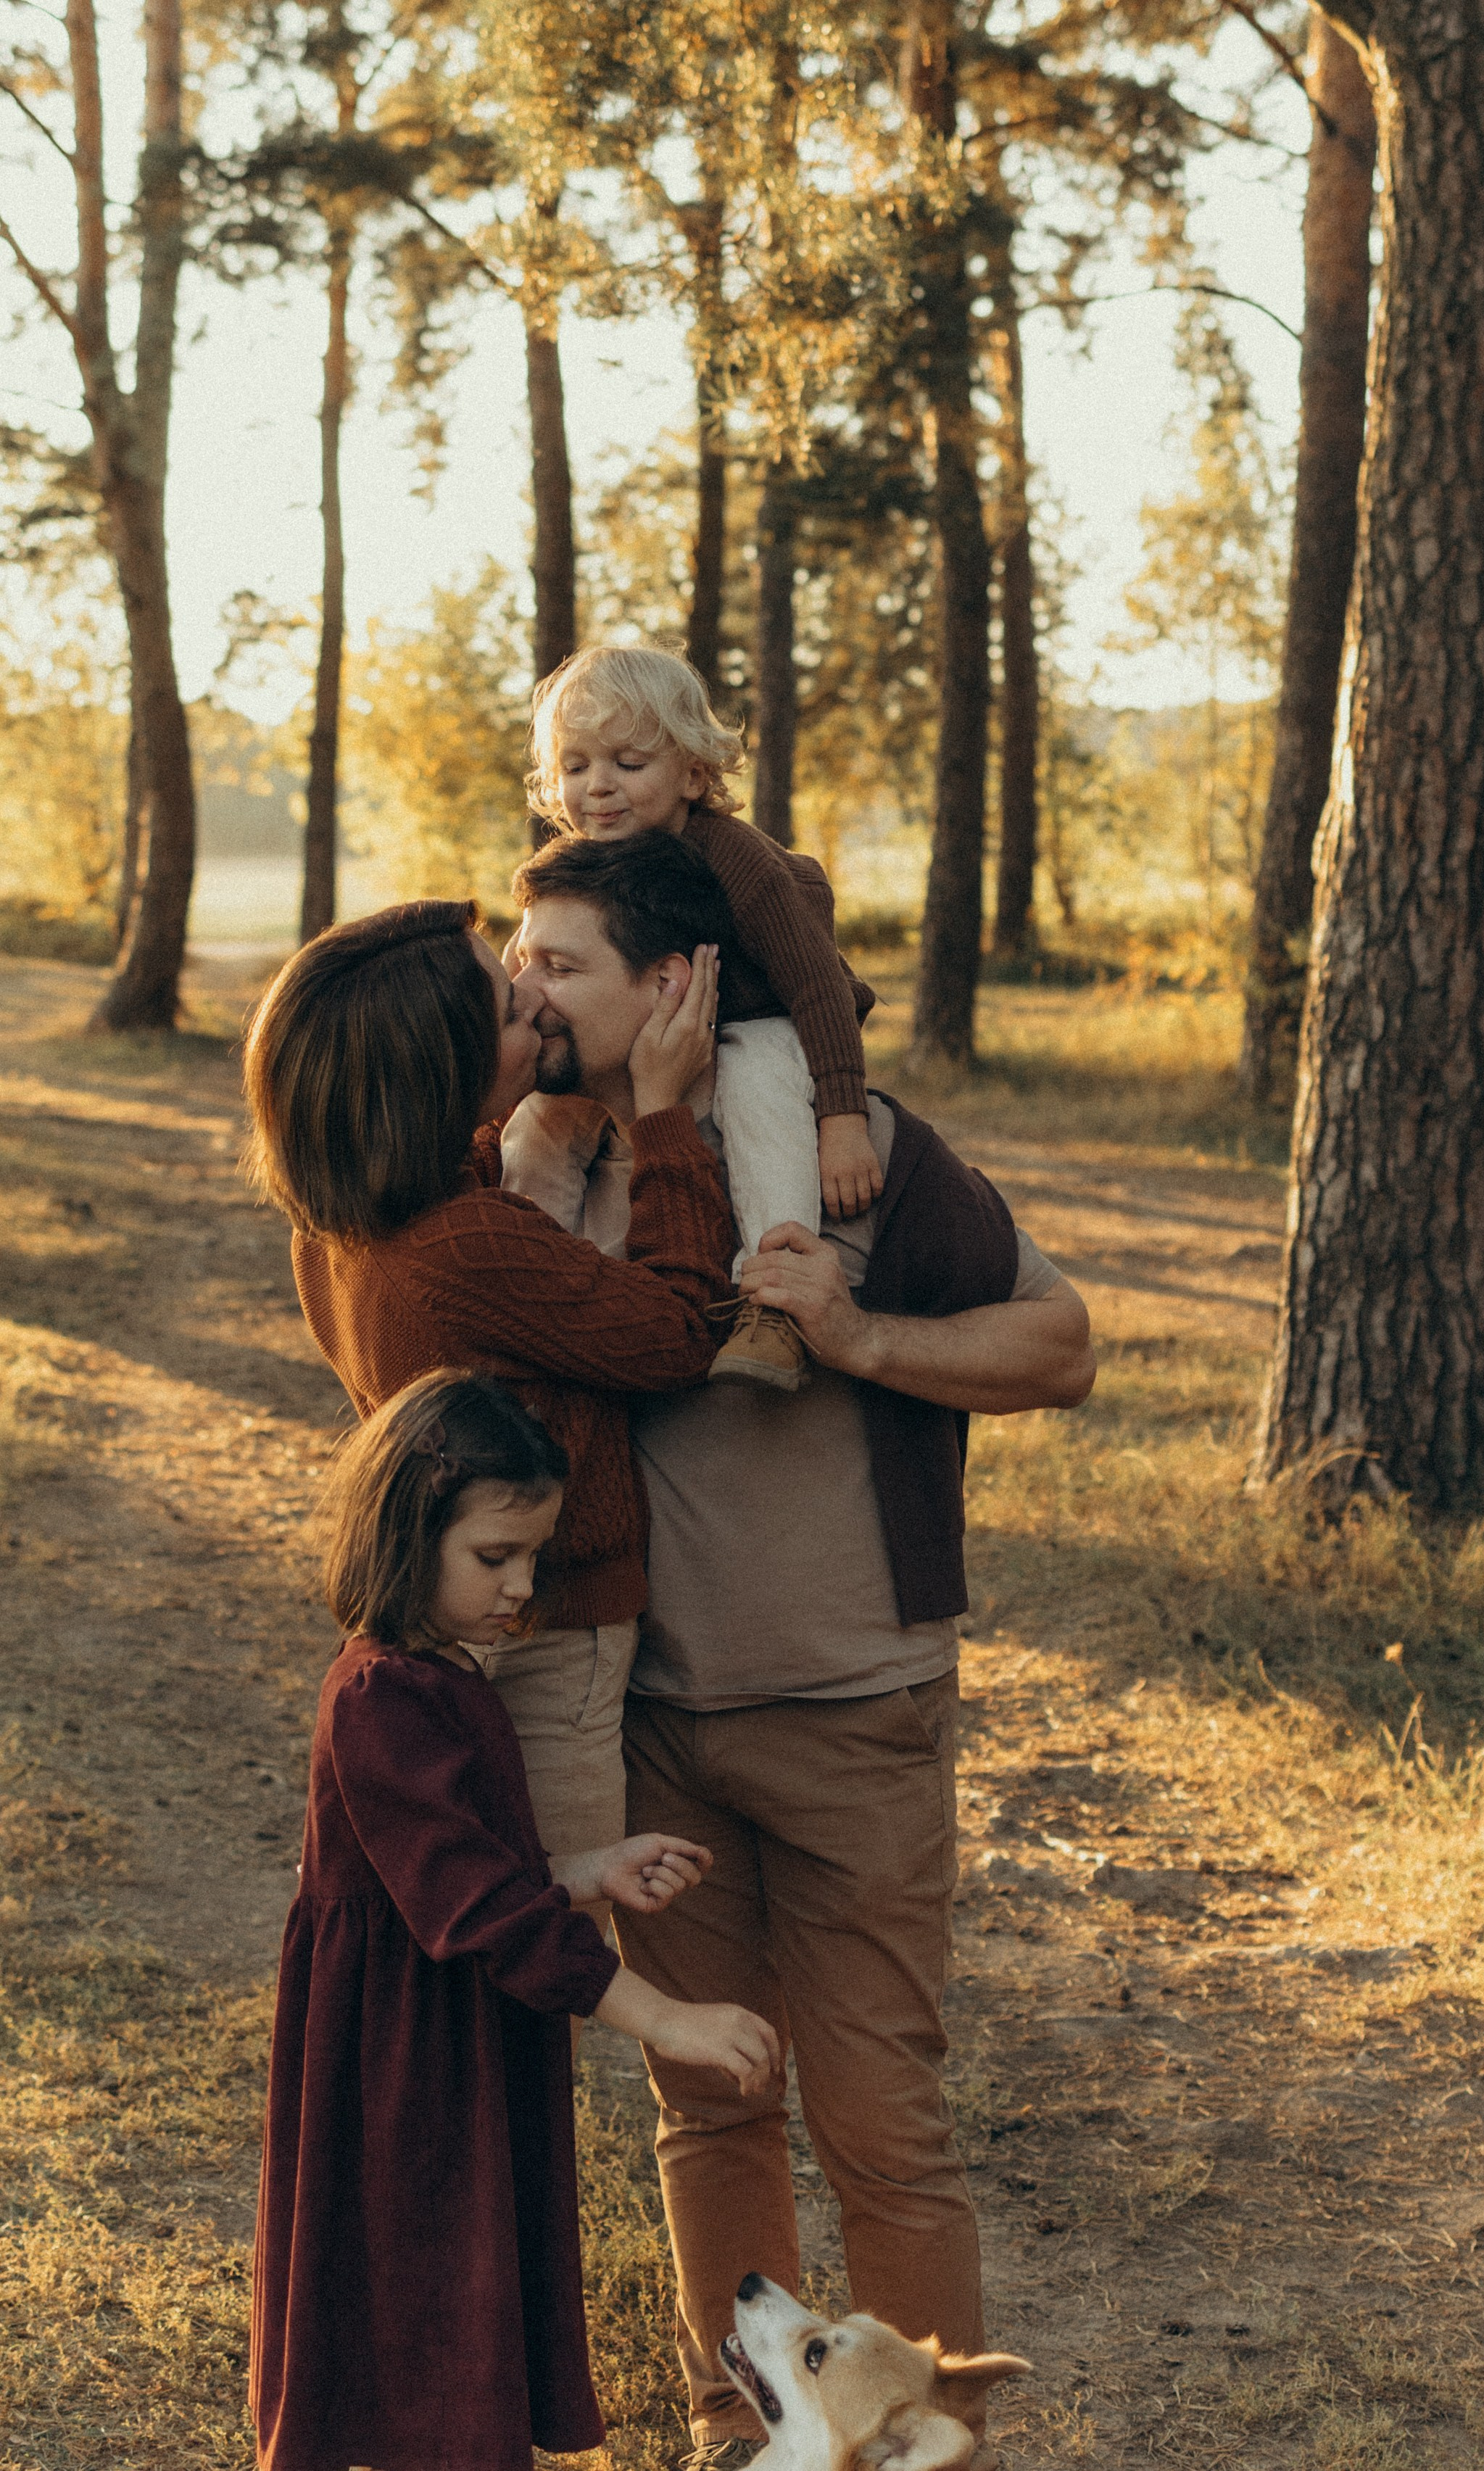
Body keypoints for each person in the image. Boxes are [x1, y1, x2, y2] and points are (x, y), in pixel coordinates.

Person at [502, 832, 1098, 2471]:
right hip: (653, 1726)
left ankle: (921, 2446)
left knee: (880, 2128)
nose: (522, 986)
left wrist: (858, 1336)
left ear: (674, 981)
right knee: (705, 2101)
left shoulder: (857, 1157)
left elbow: (1059, 1344)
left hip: (855, 1714)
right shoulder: (537, 1169)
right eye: (518, 954)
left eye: (558, 961)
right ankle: (740, 2434)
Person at [251, 1370, 779, 2471]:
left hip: (461, 2032)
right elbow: (481, 1911)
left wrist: (590, 1870)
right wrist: (665, 2018)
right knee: (418, 2291)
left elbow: (464, 1868)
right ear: (407, 1530)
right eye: (495, 1557)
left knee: (462, 2278)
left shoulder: (446, 1675)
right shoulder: (378, 1698)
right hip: (401, 2063)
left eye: (532, 1558)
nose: (520, 1587)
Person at [241, 895, 734, 1891]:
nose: (539, 1010)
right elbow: (680, 1328)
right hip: (549, 1635)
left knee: (454, 1910)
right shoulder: (466, 1247)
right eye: (512, 1013)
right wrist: (665, 1118)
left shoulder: (338, 1230)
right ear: (446, 1074)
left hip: (428, 1613)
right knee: (543, 1931)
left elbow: (464, 1208)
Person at [521, 642, 879, 1394]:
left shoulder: (736, 858)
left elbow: (815, 983)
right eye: (576, 765)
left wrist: (843, 1115)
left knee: (757, 1090)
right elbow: (532, 955)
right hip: (647, 1031)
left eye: (628, 762)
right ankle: (532, 1273)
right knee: (539, 1120)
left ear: (692, 773)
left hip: (758, 1015)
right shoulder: (584, 861)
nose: (598, 788)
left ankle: (775, 1298)